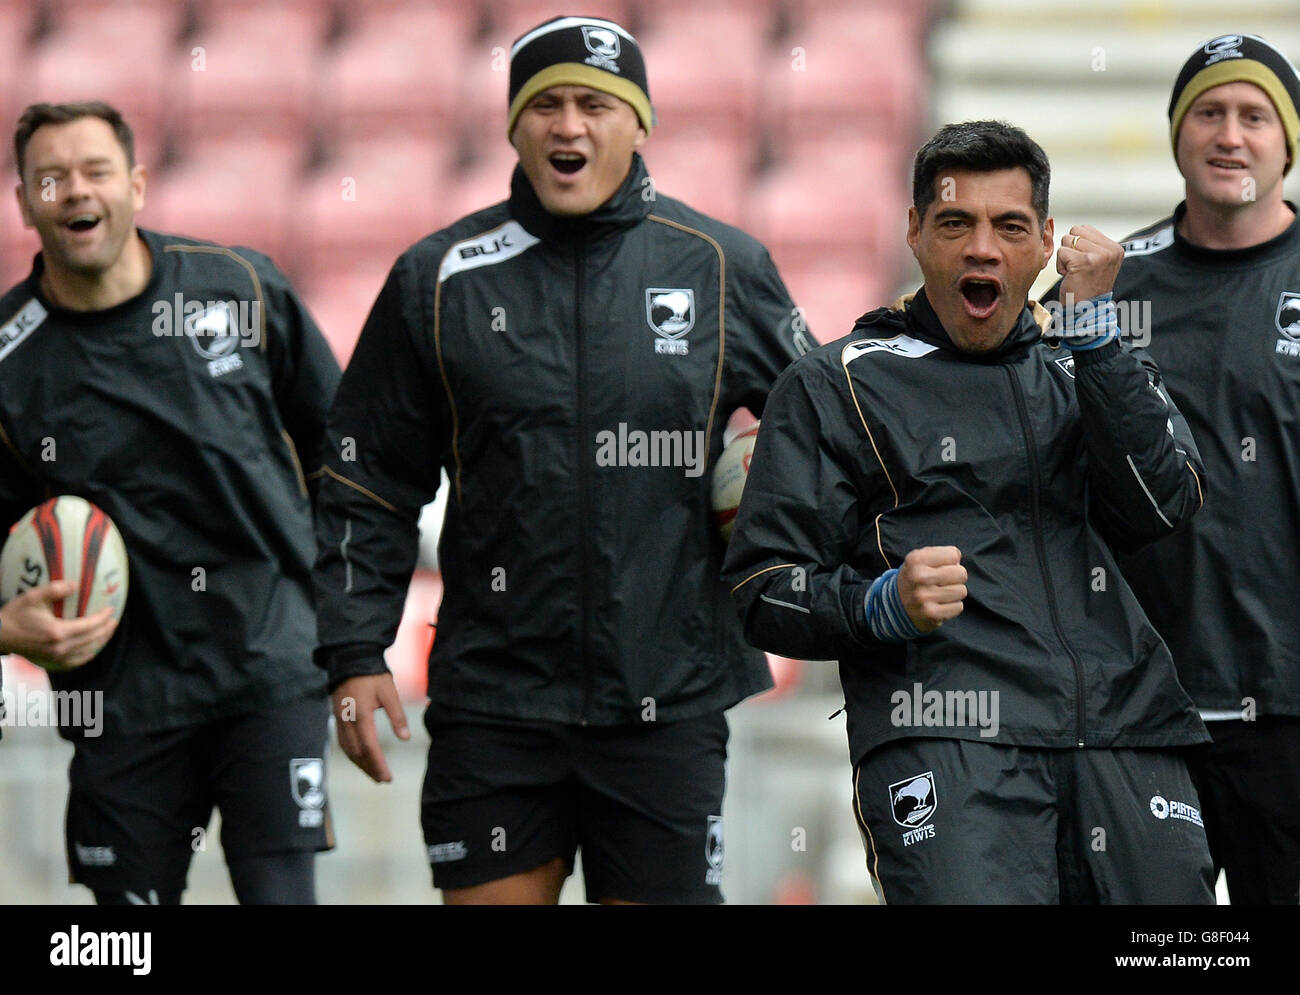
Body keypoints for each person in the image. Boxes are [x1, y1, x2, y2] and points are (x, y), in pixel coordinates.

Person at [313, 14, 806, 904]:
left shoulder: (723, 267)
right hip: (495, 705)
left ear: (640, 124)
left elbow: (823, 437)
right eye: (544, 104)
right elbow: (367, 473)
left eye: (594, 104)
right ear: (513, 126)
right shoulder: (440, 278)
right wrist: (353, 648)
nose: (568, 125)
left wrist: (785, 541)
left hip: (667, 702)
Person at [723, 120, 1215, 904]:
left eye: (1010, 226)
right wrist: (879, 604)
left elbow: (1163, 503)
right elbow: (762, 587)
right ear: (915, 232)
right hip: (947, 740)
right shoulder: (836, 382)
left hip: (1127, 731)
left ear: (1046, 241)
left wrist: (1094, 338)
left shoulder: (1089, 359)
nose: (982, 247)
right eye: (956, 222)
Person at [0, 101, 340, 904]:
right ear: (24, 202)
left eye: (95, 171)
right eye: (51, 178)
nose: (75, 192)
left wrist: (348, 632)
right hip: (117, 698)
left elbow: (346, 456)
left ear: (137, 185)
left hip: (269, 666)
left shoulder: (240, 288)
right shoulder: (9, 361)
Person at [1098, 33, 1300, 904]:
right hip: (1145, 700)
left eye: (1255, 116)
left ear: (1287, 143)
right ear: (1178, 135)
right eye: (1208, 113)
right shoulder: (1110, 291)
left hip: (1289, 701)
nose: (1230, 135)